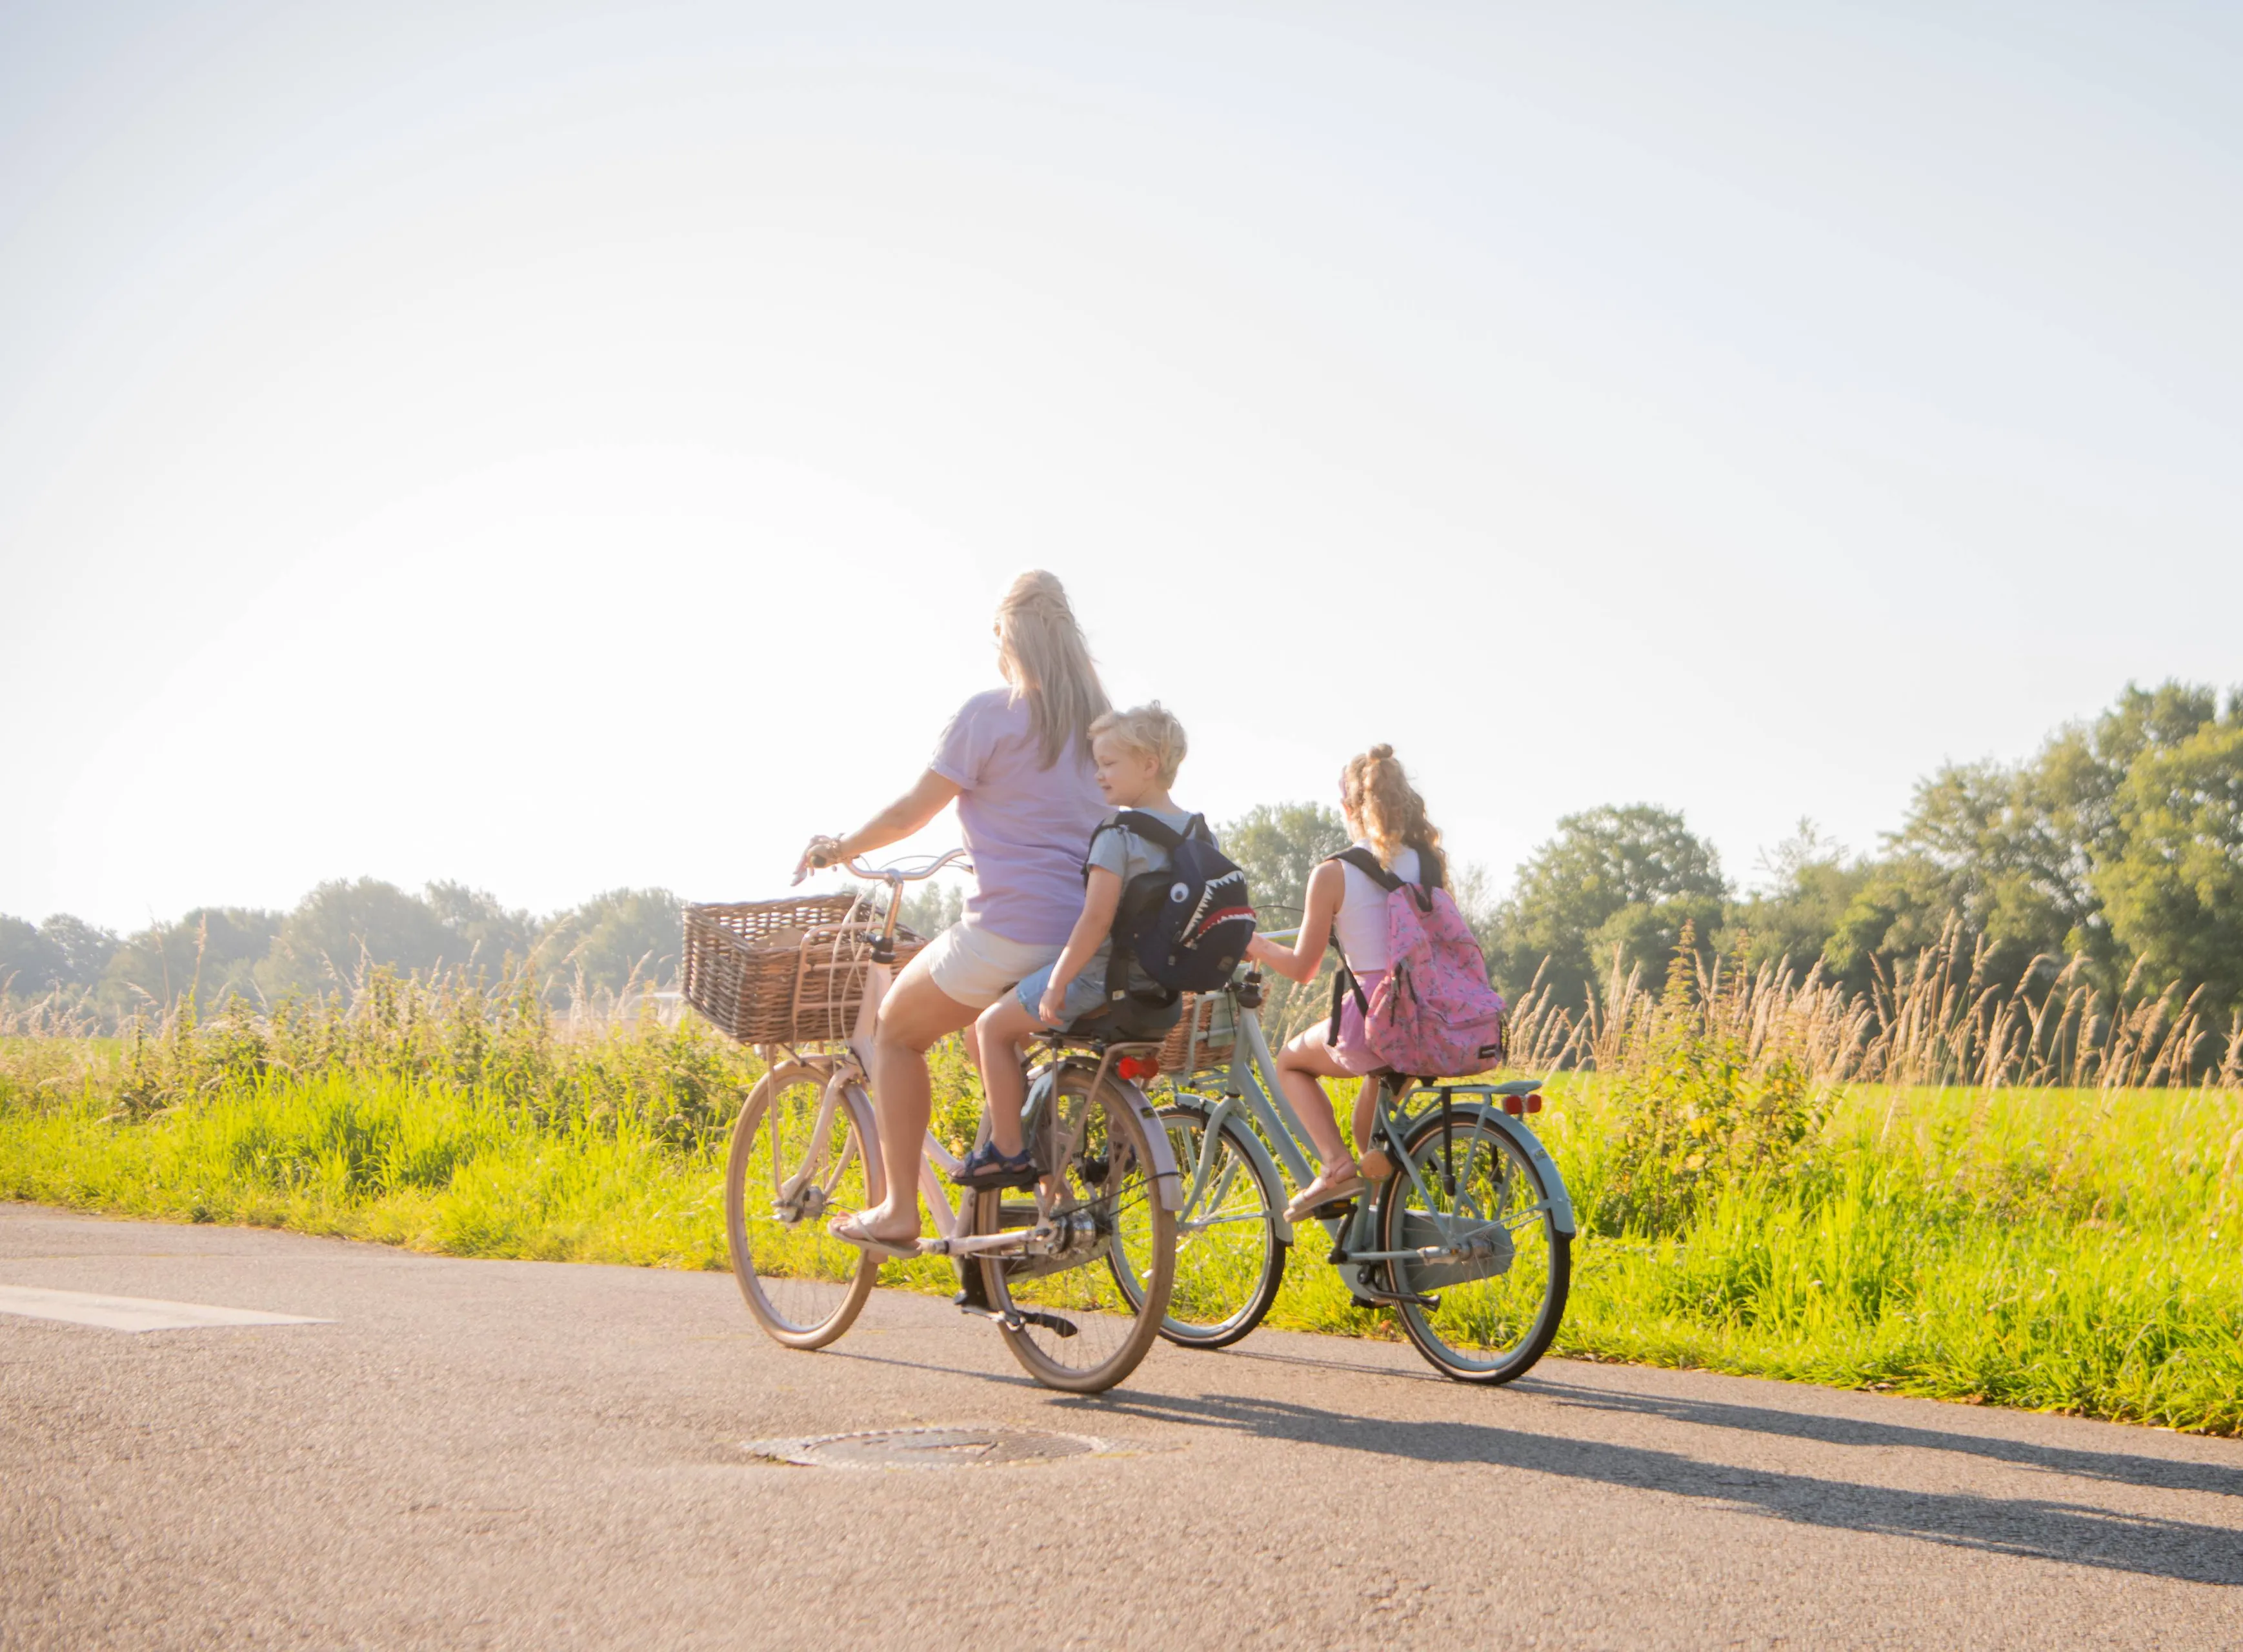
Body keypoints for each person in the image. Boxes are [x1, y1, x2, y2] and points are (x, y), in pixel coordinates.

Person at [795, 570, 1109, 1256]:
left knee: (895, 1032)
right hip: (1085, 935)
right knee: (984, 1039)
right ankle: (1040, 1200)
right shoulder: (1099, 726)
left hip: (1009, 929)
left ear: (1010, 639)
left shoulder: (990, 714)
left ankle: (898, 1208)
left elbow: (911, 814)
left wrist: (839, 847)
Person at [961, 702, 1196, 1187]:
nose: (1099, 775)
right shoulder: (1198, 834)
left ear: (1149, 765)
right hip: (1159, 988)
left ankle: (1009, 1151)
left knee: (988, 1030)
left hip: (1099, 979)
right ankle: (1118, 1137)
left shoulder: (1119, 835)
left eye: (1110, 764)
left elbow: (1095, 920)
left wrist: (1058, 983)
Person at [1244, 744, 1449, 1220]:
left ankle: (1334, 1166)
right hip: (1430, 1016)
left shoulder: (1333, 872)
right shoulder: (1428, 863)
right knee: (1370, 1135)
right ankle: (1381, 1240)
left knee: (1291, 1061)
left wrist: (1255, 945)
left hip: (1375, 1019)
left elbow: (1302, 968)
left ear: (1349, 808)